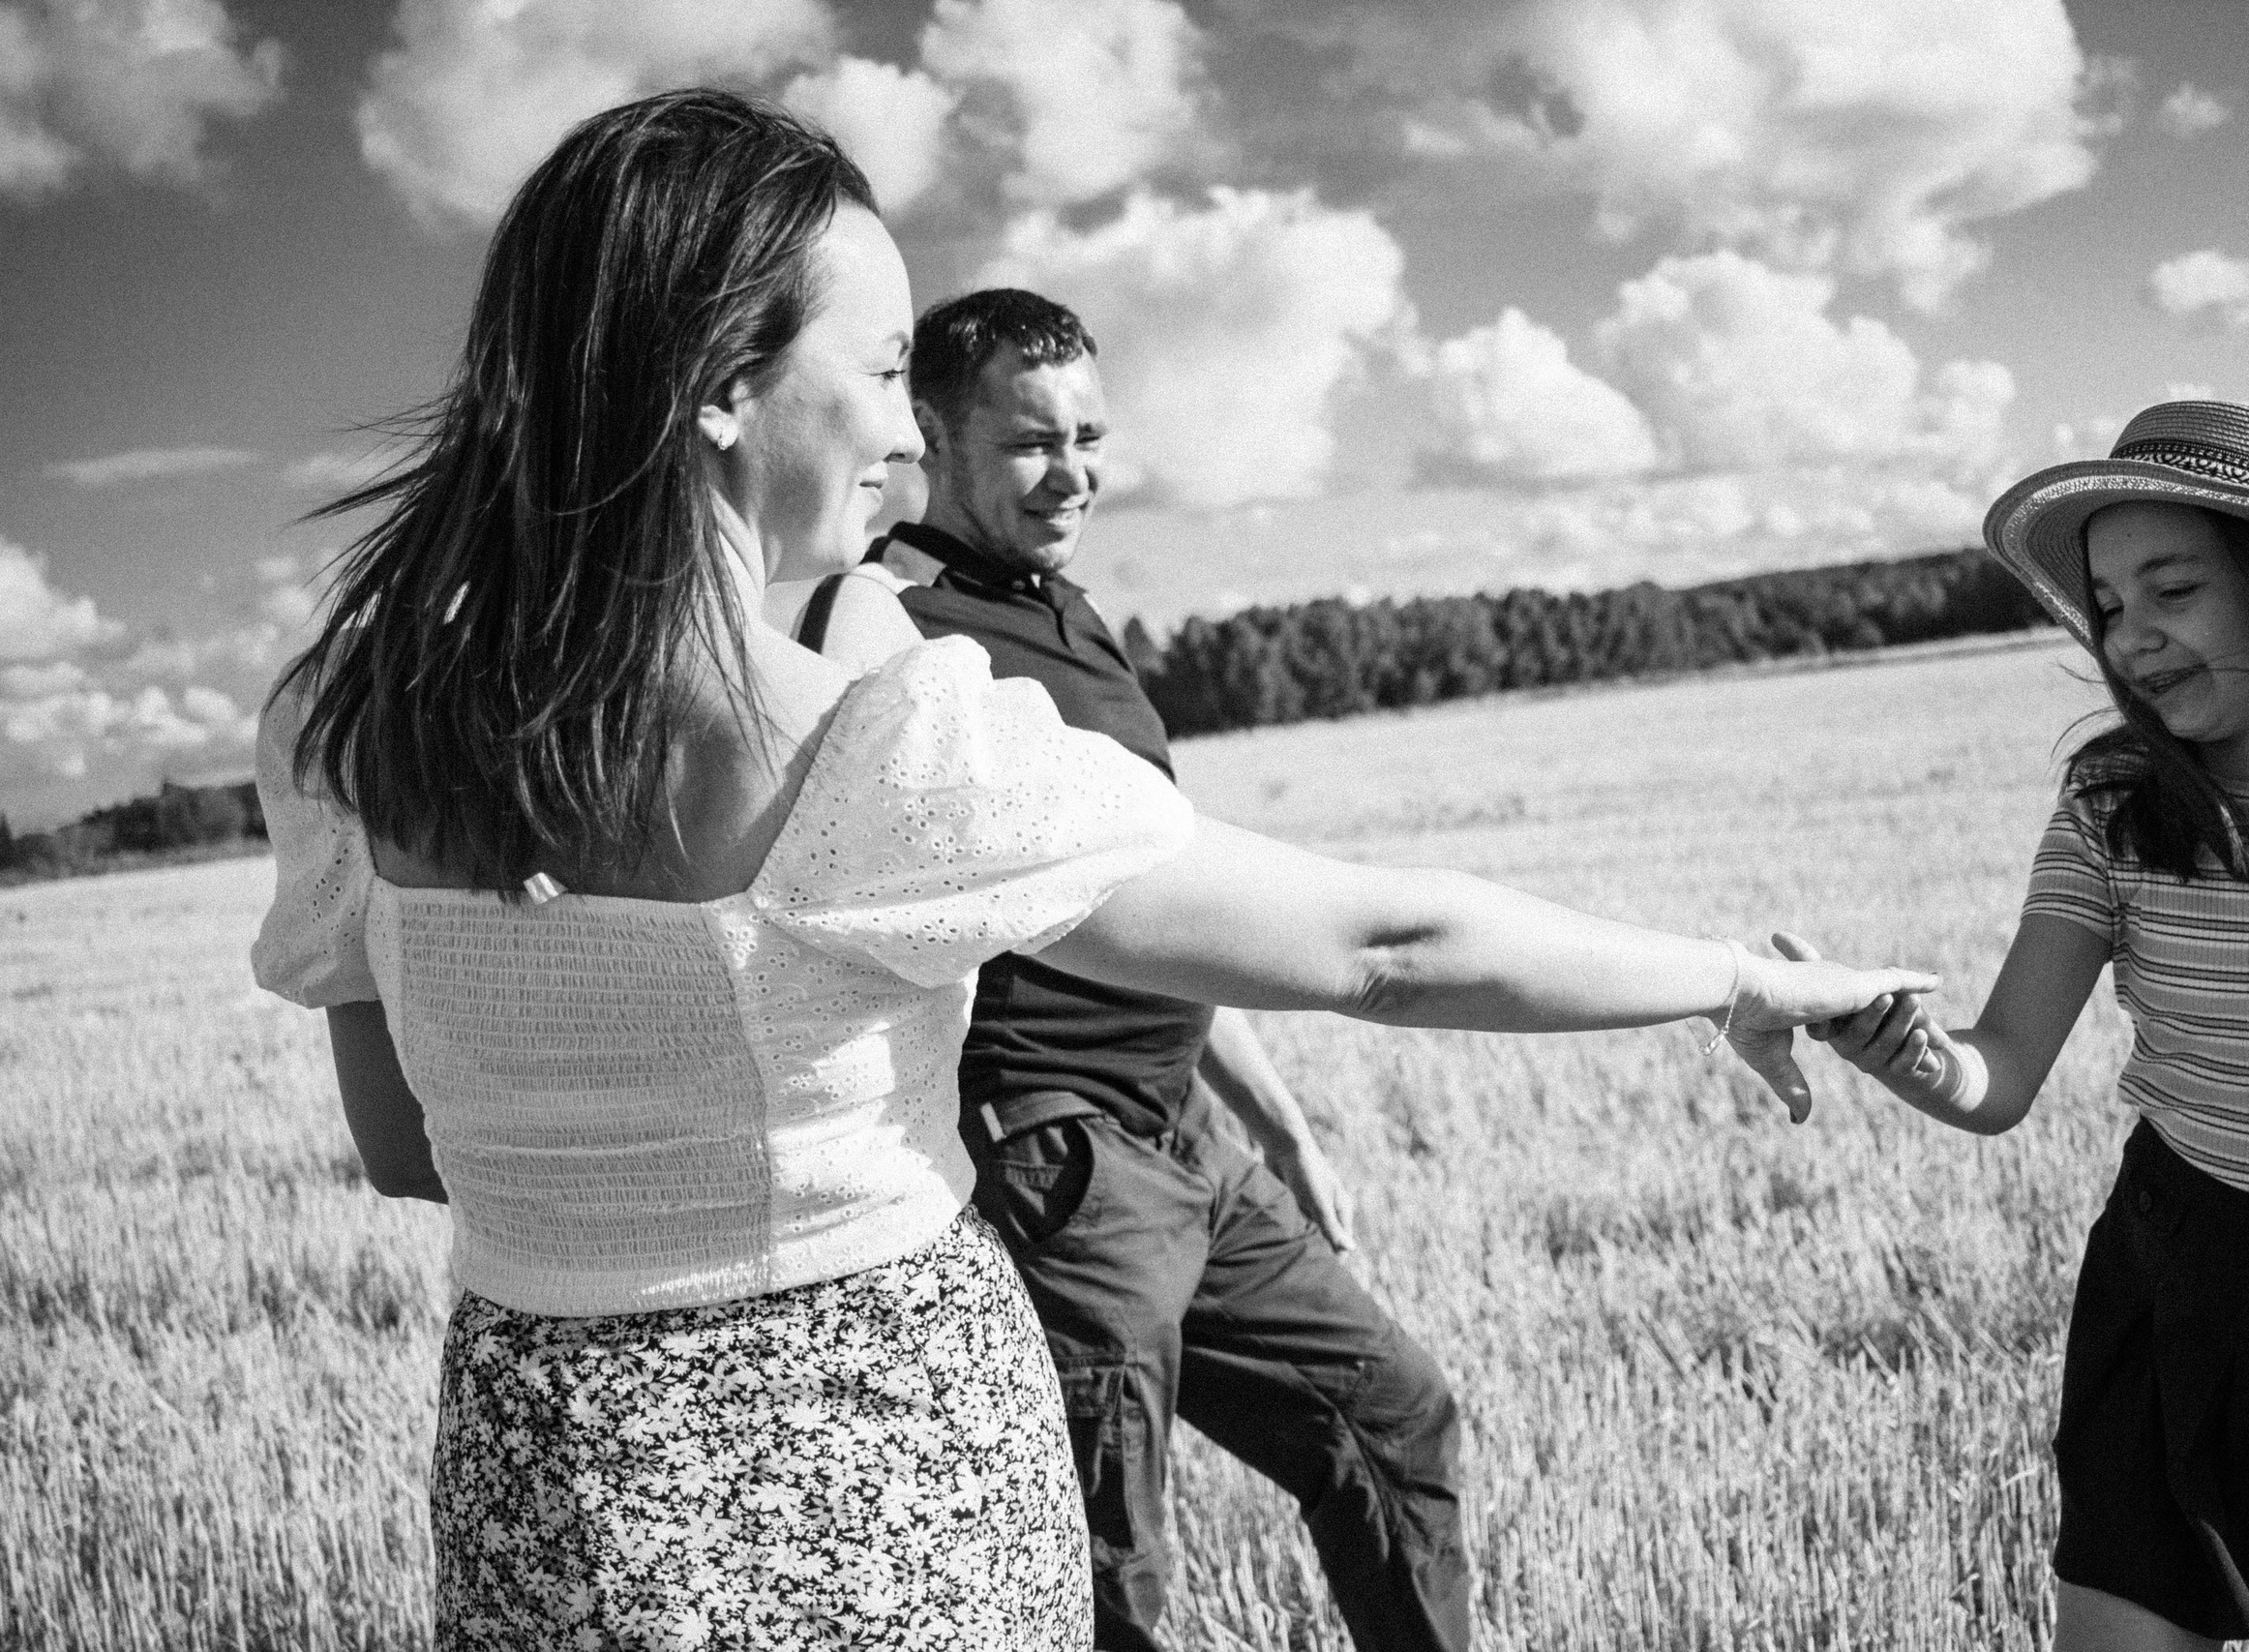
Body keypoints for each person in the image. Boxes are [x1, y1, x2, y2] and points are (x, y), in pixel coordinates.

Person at [252, 88, 1934, 1650]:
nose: (908, 439)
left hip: (553, 1489)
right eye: (890, 368)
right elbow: (1386, 946)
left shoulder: (341, 724)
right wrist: (1740, 975)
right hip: (888, 1480)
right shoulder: (868, 746)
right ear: (717, 384)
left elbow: (407, 1154)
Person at [799, 288, 1464, 1651]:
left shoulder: (1072, 614)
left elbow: (1161, 896)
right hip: (1063, 1167)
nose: (1075, 471)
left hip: (1192, 1148)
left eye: (1091, 435)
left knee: (1393, 1414)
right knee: (1110, 1580)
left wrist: (1278, 1125)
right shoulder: (885, 619)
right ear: (929, 430)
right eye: (1033, 440)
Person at [1800, 401, 2249, 1650]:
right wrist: (1901, 1050)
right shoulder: (2118, 804)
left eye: (2174, 588)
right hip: (2177, 1274)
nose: (2134, 636)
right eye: (2110, 605)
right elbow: (1996, 1078)